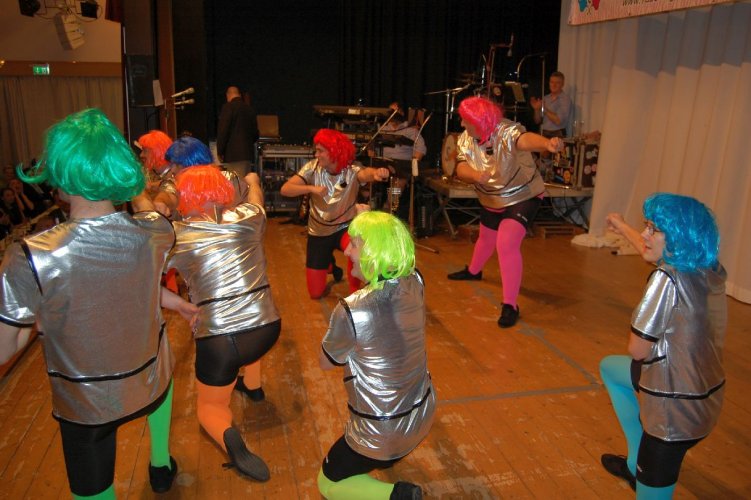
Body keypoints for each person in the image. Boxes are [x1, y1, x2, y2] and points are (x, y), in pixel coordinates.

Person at [0, 108, 198, 499]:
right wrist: (133, 188)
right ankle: (161, 464)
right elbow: (145, 235)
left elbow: (5, 348)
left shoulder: (30, 256)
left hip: (85, 404)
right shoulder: (154, 234)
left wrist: (41, 317)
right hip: (148, 380)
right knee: (161, 365)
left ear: (59, 173)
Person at [600, 193, 726, 498]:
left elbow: (638, 350)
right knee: (611, 369)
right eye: (646, 226)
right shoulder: (709, 268)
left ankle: (643, 461)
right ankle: (635, 463)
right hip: (706, 398)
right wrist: (622, 225)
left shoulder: (666, 278)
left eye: (653, 229)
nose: (645, 234)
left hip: (672, 415)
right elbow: (652, 251)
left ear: (678, 237)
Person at [163, 166, 280, 481]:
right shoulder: (249, 217)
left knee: (209, 407)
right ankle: (251, 384)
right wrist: (253, 181)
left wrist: (179, 304)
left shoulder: (177, 235)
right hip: (267, 328)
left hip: (220, 341)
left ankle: (227, 434)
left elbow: (142, 282)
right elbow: (256, 197)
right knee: (244, 350)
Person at [318, 211, 435, 500]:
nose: (347, 251)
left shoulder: (351, 309)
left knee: (327, 483)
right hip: (422, 414)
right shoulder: (416, 281)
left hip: (381, 432)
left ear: (375, 251)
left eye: (355, 244)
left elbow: (326, 362)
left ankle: (398, 495)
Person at [446, 96, 564, 328]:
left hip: (523, 193)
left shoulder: (506, 131)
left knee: (506, 243)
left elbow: (525, 140)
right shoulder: (465, 139)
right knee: (486, 237)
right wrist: (475, 175)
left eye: (465, 120)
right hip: (492, 195)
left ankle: (510, 305)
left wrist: (546, 144)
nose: (461, 124)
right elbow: (460, 168)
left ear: (478, 121)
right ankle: (474, 271)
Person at [280, 128, 390, 299]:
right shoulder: (312, 168)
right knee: (315, 293)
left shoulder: (351, 170)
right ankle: (330, 265)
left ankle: (355, 295)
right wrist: (311, 188)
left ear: (333, 151)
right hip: (318, 232)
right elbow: (285, 189)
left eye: (320, 151)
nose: (316, 154)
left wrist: (376, 173)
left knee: (357, 251)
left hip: (344, 228)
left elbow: (366, 174)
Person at [375, 102, 427, 220]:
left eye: (396, 112)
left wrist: (413, 163)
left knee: (398, 181)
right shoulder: (382, 129)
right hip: (383, 163)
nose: (393, 115)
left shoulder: (411, 130)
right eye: (390, 112)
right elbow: (372, 148)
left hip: (402, 166)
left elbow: (421, 149)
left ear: (402, 114)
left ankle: (388, 209)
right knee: (367, 176)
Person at [216, 86, 259, 177]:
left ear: (228, 95)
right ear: (239, 95)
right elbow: (255, 133)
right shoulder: (249, 109)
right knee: (245, 182)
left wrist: (220, 151)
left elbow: (223, 131)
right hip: (247, 155)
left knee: (235, 183)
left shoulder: (228, 107)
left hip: (233, 155)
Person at [136, 129, 178, 217]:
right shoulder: (147, 171)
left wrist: (160, 201)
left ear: (156, 152)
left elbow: (169, 191)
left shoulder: (176, 173)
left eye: (145, 151)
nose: (141, 155)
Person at [530, 71, 572, 138]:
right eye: (552, 82)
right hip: (543, 133)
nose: (554, 85)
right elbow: (537, 121)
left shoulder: (565, 99)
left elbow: (558, 121)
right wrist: (536, 109)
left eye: (557, 83)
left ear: (562, 84)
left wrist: (544, 109)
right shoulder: (545, 98)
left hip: (557, 134)